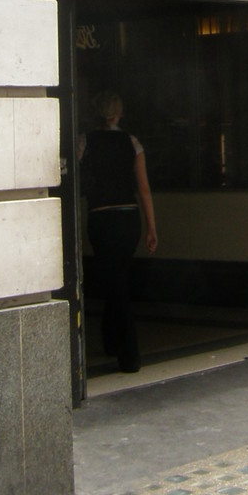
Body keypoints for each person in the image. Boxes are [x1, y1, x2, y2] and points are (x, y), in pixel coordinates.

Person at [80, 93, 157, 373]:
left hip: (101, 217)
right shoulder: (132, 143)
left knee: (112, 278)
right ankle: (116, 342)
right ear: (119, 114)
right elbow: (144, 188)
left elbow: (78, 178)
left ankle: (126, 350)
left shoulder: (85, 141)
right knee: (119, 277)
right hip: (128, 217)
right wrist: (151, 226)